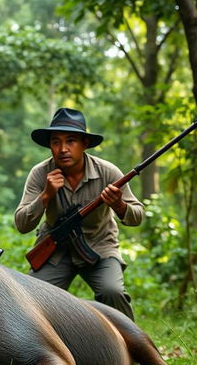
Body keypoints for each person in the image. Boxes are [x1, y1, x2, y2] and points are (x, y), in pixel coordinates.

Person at [14, 107, 144, 320]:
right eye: (56, 141)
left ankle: (134, 348)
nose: (62, 149)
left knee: (113, 292)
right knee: (31, 300)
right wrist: (45, 196)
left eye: (71, 141)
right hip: (56, 250)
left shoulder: (108, 172)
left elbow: (137, 215)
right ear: (49, 145)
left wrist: (119, 205)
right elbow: (21, 224)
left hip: (100, 246)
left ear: (84, 144)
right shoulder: (40, 173)